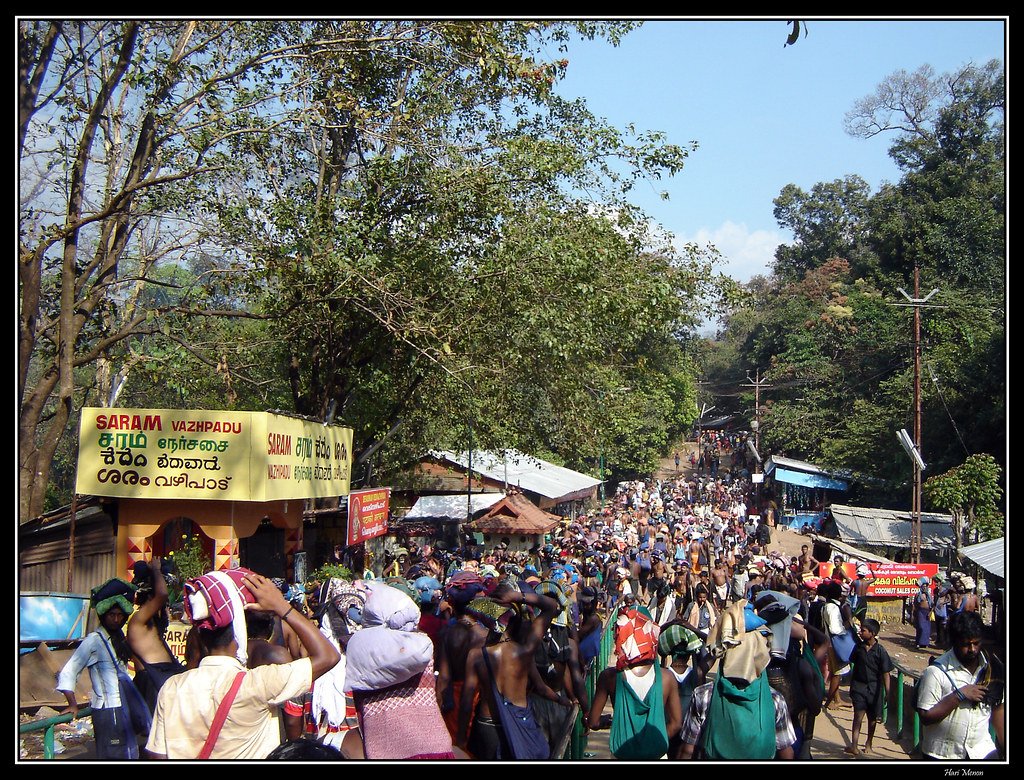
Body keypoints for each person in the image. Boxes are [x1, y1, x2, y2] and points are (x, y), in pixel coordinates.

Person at [145, 570, 340, 759]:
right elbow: (329, 656)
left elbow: (157, 755)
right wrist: (282, 607)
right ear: (240, 631)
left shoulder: (172, 687)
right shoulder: (258, 684)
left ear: (201, 637)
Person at [457, 583, 561, 759]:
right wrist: (518, 596)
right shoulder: (525, 651)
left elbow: (466, 702)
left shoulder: (476, 655)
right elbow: (552, 606)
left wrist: (460, 740)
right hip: (521, 723)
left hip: (487, 727)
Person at [57, 578, 152, 759]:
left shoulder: (119, 639)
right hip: (108, 711)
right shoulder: (93, 640)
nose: (116, 619)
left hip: (122, 707)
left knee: (127, 753)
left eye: (120, 615)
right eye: (111, 615)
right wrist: (72, 704)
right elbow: (69, 671)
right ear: (103, 616)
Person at [587, 606, 681, 760]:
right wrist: (649, 744)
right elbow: (676, 723)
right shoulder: (667, 678)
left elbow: (593, 722)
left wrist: (605, 722)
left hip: (622, 755)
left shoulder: (609, 677)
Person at [917, 611, 1004, 760]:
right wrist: (959, 695)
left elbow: (998, 708)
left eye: (976, 643)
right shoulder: (936, 672)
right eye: (966, 644)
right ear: (955, 642)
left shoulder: (993, 668)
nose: (972, 649)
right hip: (942, 754)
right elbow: (925, 717)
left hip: (982, 751)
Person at [126, 558, 186, 714]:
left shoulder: (152, 622)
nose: (165, 608)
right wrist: (156, 570)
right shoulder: (138, 620)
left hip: (162, 679)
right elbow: (162, 594)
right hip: (151, 683)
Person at [844, 618, 892, 756]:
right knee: (858, 716)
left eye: (863, 630)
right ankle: (854, 745)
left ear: (872, 633)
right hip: (859, 687)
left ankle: (869, 743)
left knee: (872, 719)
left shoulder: (880, 651)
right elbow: (853, 662)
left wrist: (887, 692)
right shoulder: (858, 648)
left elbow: (886, 673)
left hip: (874, 690)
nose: (860, 632)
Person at [913, 576, 934, 649]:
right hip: (920, 612)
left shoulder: (929, 595)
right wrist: (914, 613)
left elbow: (932, 605)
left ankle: (924, 643)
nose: (924, 588)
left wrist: (930, 612)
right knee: (921, 627)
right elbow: (915, 604)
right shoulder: (918, 595)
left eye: (926, 586)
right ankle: (919, 642)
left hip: (927, 613)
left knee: (927, 629)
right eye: (923, 586)